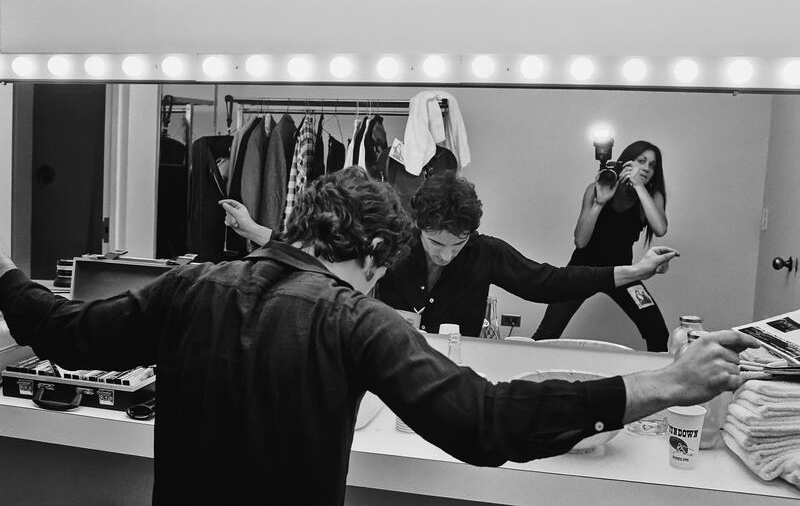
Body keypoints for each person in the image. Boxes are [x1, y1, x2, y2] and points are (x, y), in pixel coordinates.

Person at [0, 166, 759, 505]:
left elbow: (60, 331)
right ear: (370, 257)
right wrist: (661, 383)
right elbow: (485, 424)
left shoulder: (189, 285)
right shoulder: (351, 315)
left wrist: (4, 270)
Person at [224, 170, 679, 338]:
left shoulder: (486, 253)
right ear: (418, 227)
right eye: (435, 242)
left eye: (456, 245)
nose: (444, 255)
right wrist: (254, 231)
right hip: (383, 349)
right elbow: (320, 252)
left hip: (457, 362)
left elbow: (550, 283)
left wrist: (633, 270)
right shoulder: (392, 243)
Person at [533, 140, 670, 350]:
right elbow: (580, 241)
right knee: (547, 333)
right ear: (626, 162)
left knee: (658, 332)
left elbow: (660, 228)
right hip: (582, 270)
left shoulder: (651, 197)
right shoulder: (597, 188)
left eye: (652, 165)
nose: (646, 168)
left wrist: (639, 187)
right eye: (641, 161)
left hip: (622, 274)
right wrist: (600, 202)